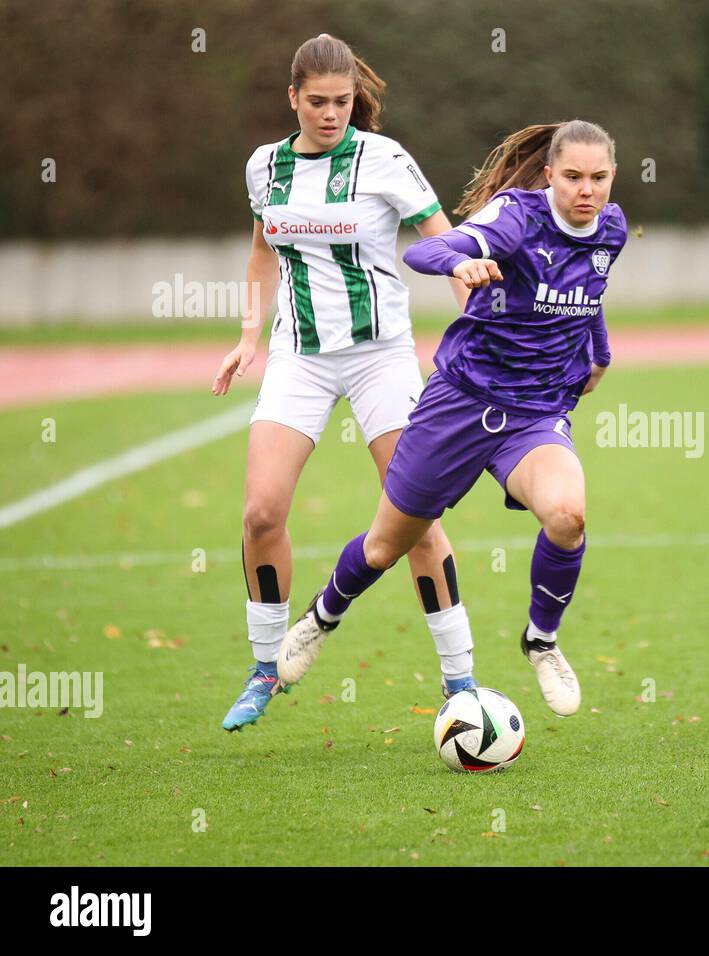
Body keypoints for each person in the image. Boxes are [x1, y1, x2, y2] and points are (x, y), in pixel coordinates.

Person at [274, 120, 626, 718]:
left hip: (534, 413)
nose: (585, 190)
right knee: (386, 548)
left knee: (568, 516)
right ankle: (324, 612)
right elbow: (423, 249)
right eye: (571, 177)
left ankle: (542, 640)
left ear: (612, 176)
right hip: (459, 404)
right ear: (549, 176)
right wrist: (458, 265)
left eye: (597, 177)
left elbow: (590, 290)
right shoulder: (516, 217)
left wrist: (600, 352)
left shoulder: (611, 229)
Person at [213, 34, 473, 731]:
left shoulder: (384, 159)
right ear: (292, 98)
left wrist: (473, 315)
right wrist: (247, 336)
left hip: (381, 356)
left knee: (414, 518)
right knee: (261, 513)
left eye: (344, 101)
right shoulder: (263, 167)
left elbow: (442, 241)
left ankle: (461, 681)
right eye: (319, 102)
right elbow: (263, 252)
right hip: (298, 357)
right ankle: (266, 668)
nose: (333, 114)